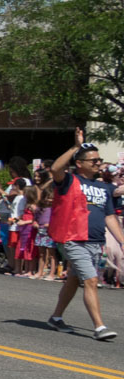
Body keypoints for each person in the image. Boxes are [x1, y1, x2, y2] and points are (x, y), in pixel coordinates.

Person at [44, 129, 123, 340]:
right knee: (90, 280)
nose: (98, 163)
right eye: (93, 160)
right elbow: (55, 168)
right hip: (73, 239)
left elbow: (109, 217)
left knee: (74, 280)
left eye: (99, 160)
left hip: (95, 241)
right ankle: (99, 327)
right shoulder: (68, 181)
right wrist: (75, 147)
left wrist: (122, 241)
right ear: (79, 163)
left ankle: (56, 317)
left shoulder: (104, 187)